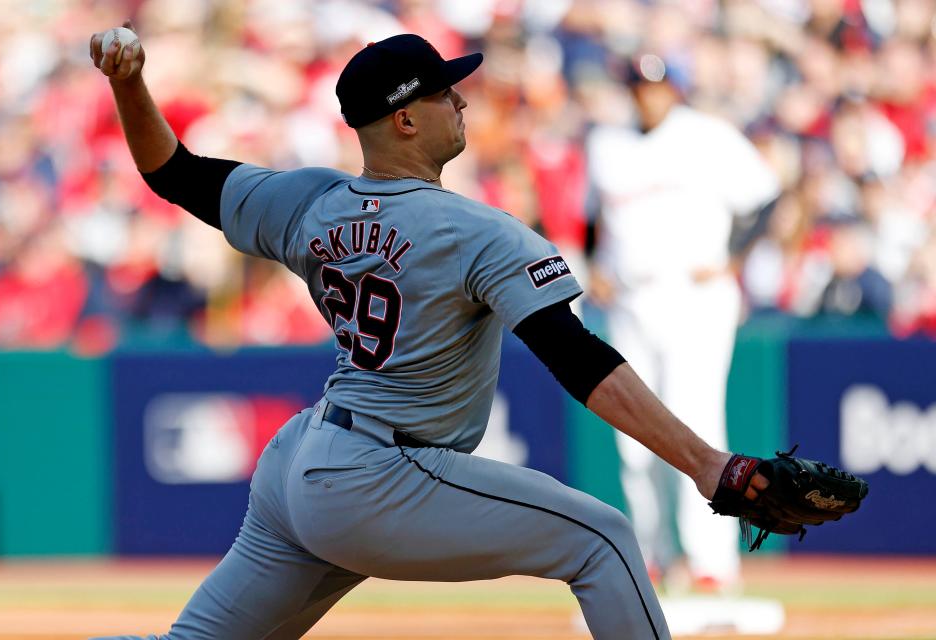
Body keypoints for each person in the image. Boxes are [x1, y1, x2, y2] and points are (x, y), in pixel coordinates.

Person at [90, 26, 767, 640]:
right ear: (407, 117)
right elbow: (577, 358)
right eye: (447, 94)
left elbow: (171, 172)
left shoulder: (306, 200)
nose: (463, 104)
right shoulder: (477, 232)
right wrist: (709, 466)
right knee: (605, 539)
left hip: (302, 465)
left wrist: (127, 84)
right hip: (383, 476)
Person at [585, 54, 780, 589]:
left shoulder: (707, 136)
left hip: (694, 297)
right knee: (632, 435)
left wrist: (734, 257)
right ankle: (650, 555)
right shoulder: (607, 143)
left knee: (696, 422)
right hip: (630, 298)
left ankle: (710, 563)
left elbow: (767, 198)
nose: (650, 95)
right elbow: (591, 215)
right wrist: (595, 261)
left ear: (676, 90)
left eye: (659, 86)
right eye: (641, 87)